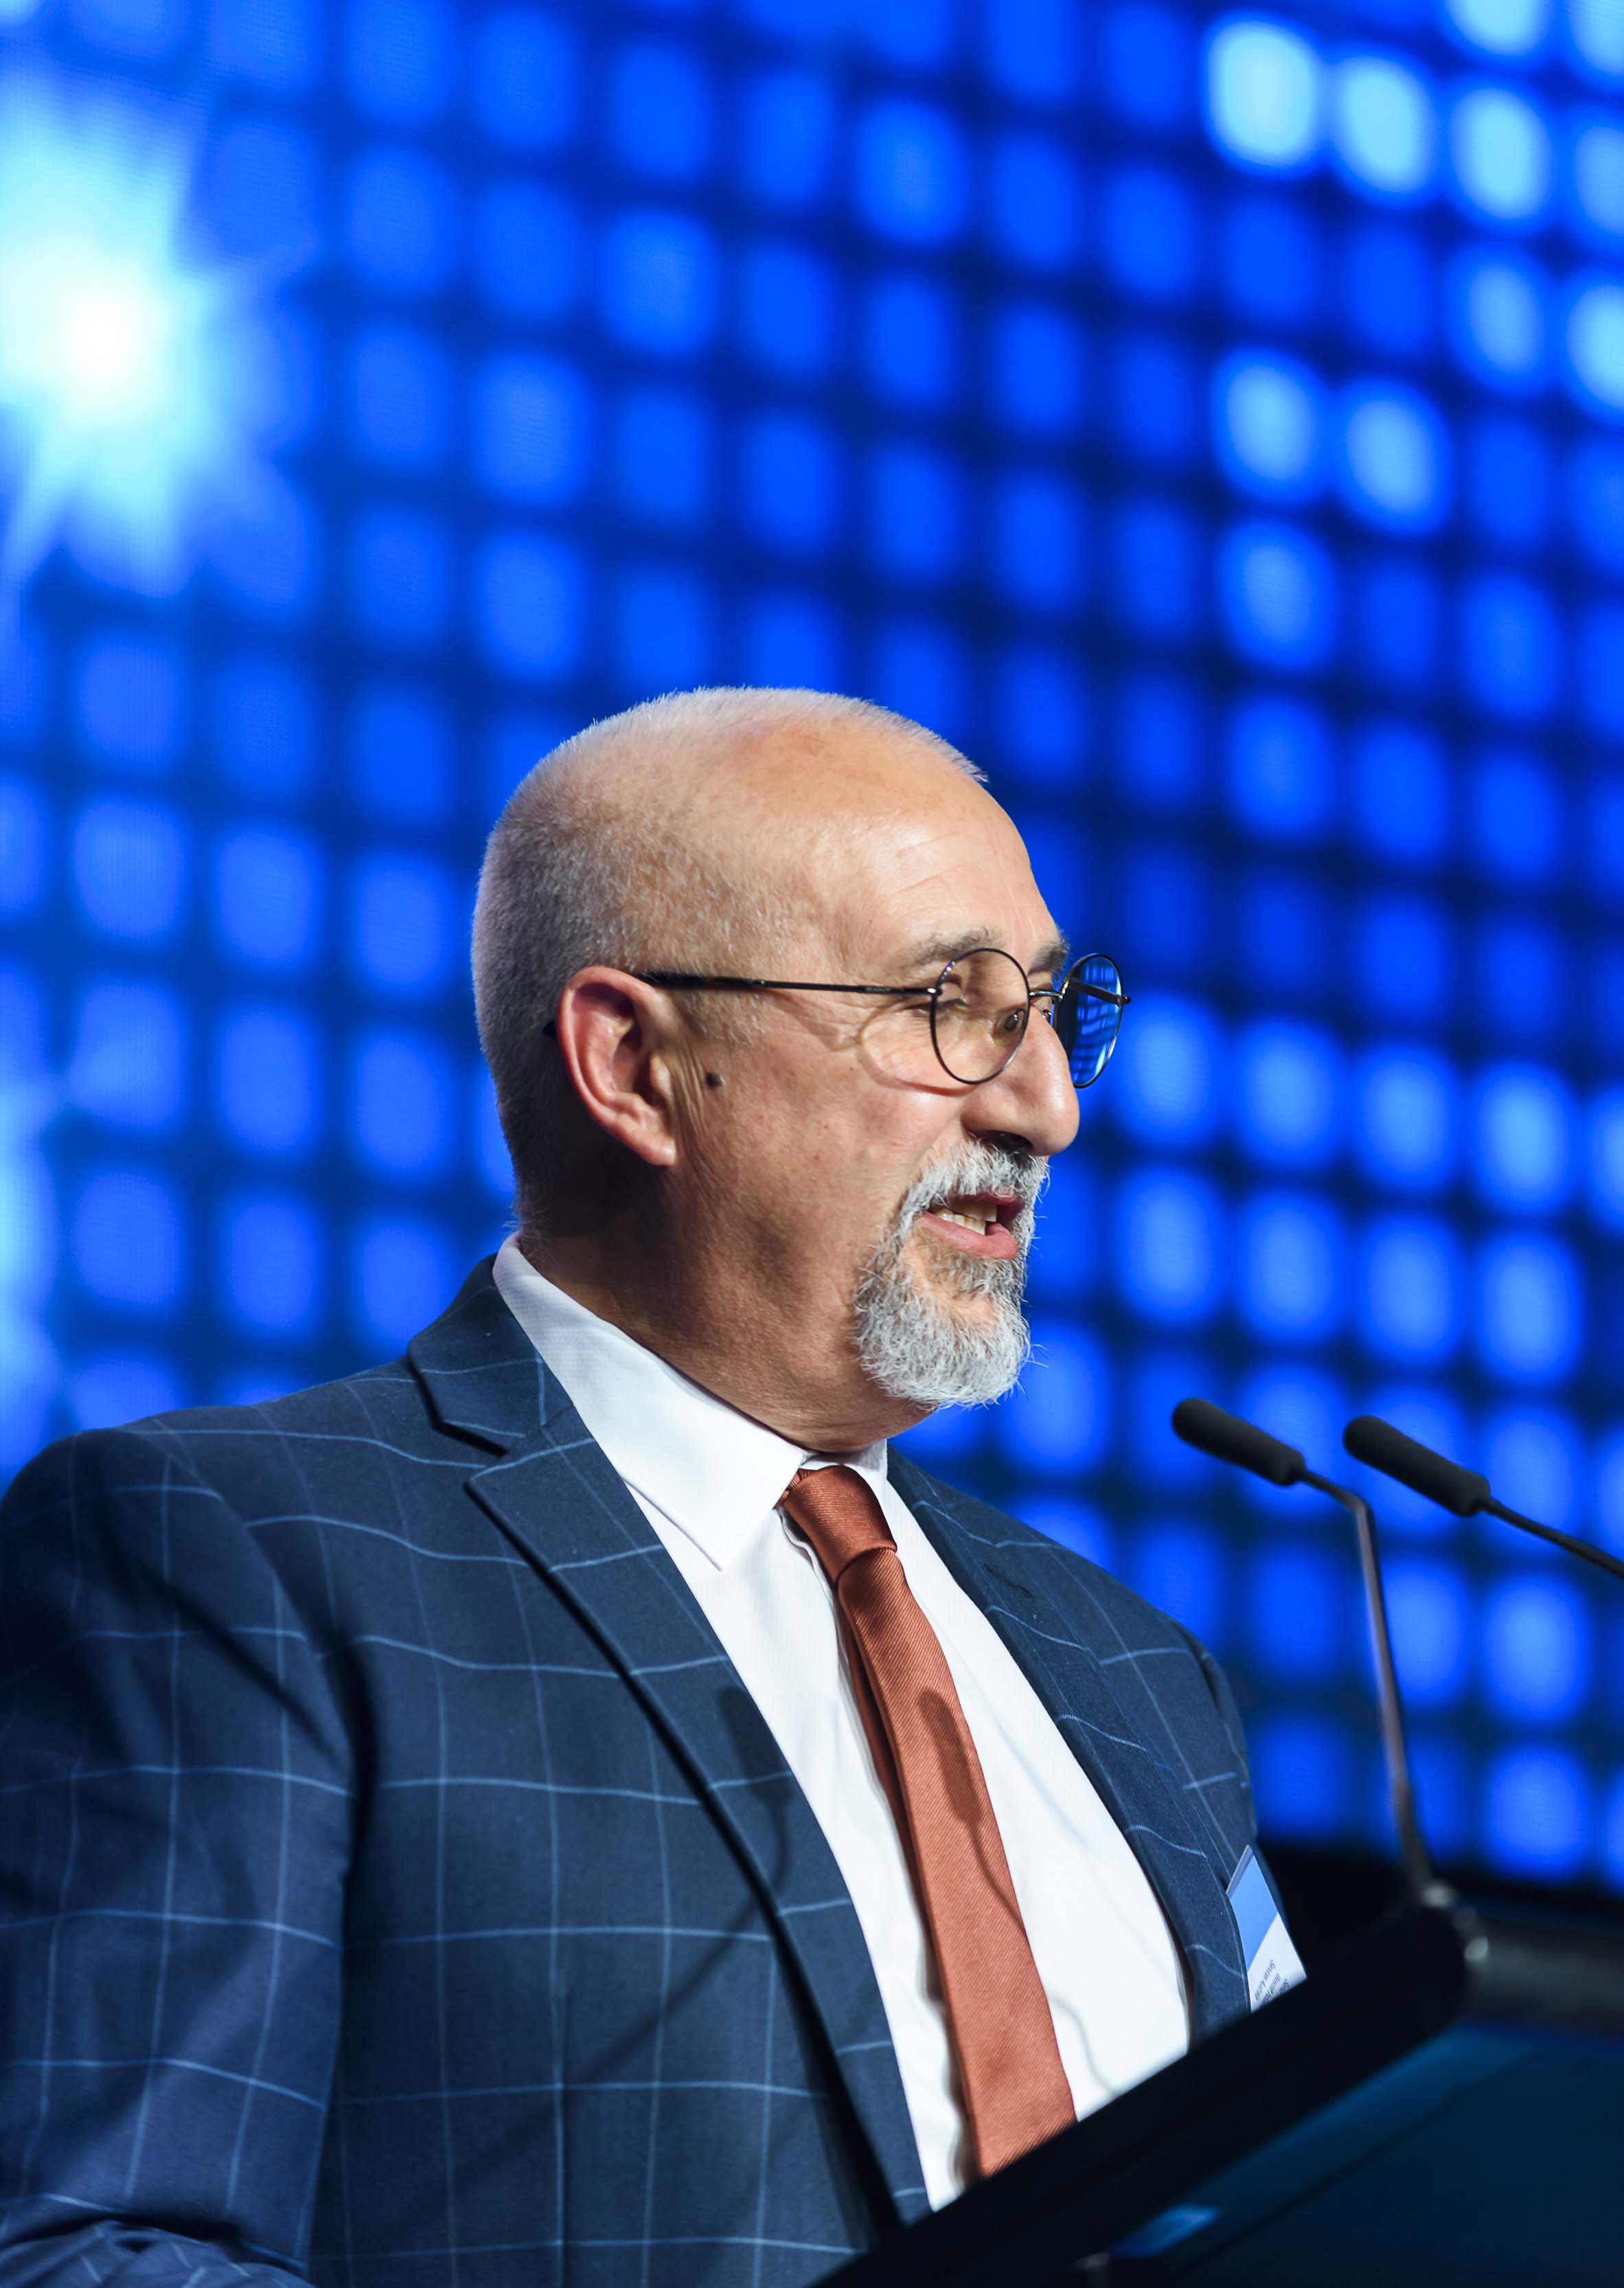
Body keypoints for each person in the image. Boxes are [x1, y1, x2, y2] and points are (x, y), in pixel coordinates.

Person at [0, 690, 1268, 2288]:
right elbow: (82, 2248)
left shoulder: (1136, 1671)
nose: (1045, 1107)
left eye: (1052, 1012)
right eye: (947, 1004)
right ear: (635, 1065)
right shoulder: (237, 1553)